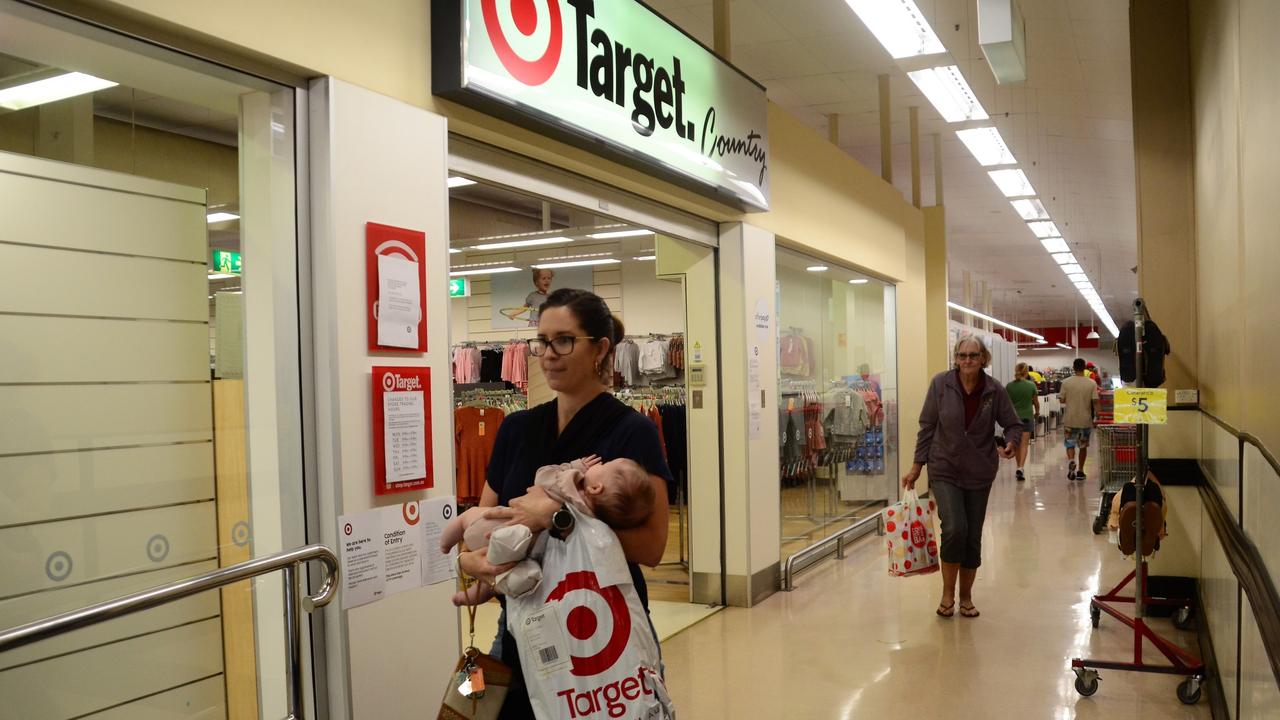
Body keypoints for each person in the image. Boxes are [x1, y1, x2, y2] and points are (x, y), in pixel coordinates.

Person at [458, 287, 671, 719]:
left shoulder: (632, 432)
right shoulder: (516, 429)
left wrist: (557, 519)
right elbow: (483, 523)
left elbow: (652, 547)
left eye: (564, 341)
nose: (548, 354)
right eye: (542, 341)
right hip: (522, 629)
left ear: (601, 348)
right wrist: (471, 563)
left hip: (606, 635)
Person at [902, 335, 1022, 619]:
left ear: (983, 359)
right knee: (955, 527)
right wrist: (917, 467)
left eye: (973, 355)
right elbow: (927, 426)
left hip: (980, 470)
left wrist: (1012, 441)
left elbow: (1013, 423)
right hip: (944, 466)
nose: (967, 360)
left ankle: (966, 596)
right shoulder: (940, 385)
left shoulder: (994, 390)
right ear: (955, 358)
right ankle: (947, 594)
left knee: (972, 535)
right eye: (962, 355)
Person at [441, 454, 655, 604]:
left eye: (604, 465)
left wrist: (575, 466)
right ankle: (483, 590)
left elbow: (543, 475)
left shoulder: (569, 484)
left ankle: (446, 542)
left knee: (469, 517)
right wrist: (464, 561)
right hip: (535, 556)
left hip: (508, 534)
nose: (599, 463)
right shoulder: (598, 517)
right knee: (506, 569)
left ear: (596, 487)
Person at [1059, 357, 1101, 481]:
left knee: (1069, 444)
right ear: (1085, 368)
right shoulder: (1091, 383)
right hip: (1085, 420)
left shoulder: (1066, 382)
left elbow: (1062, 399)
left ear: (1073, 367)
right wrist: (1098, 416)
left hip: (1070, 420)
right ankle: (1081, 471)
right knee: (1082, 446)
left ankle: (1071, 460)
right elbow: (1096, 402)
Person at [1005, 363, 1040, 482]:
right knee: (1024, 444)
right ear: (1026, 372)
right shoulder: (1031, 385)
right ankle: (1021, 467)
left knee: (1017, 444)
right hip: (1027, 417)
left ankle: (1018, 467)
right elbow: (1035, 402)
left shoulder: (1009, 386)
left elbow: (1007, 404)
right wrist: (1037, 412)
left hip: (1013, 419)